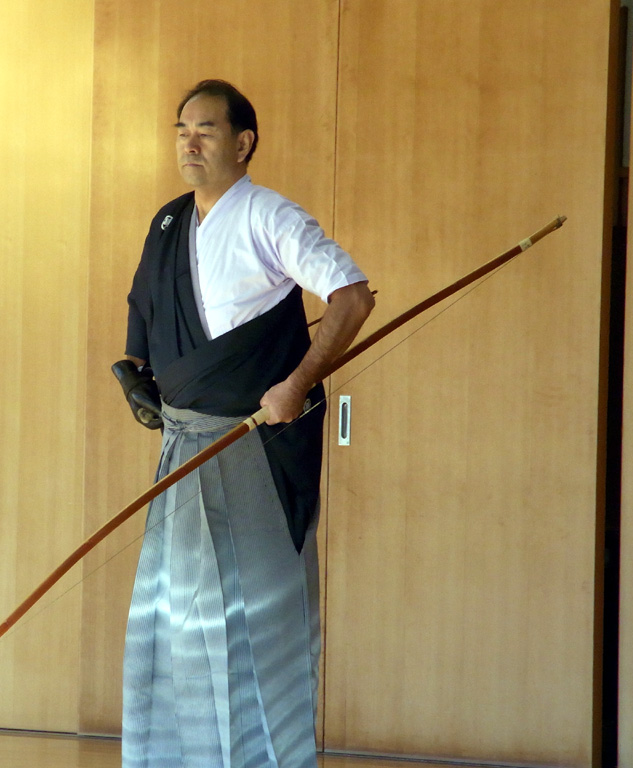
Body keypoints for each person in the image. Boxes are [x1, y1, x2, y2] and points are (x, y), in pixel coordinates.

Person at [112, 80, 374, 768]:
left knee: (253, 619)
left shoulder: (268, 215)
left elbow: (351, 296)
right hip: (184, 449)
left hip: (253, 445)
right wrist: (135, 376)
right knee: (177, 617)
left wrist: (297, 381)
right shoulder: (169, 222)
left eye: (205, 130)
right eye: (181, 130)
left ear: (243, 142)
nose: (189, 143)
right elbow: (143, 314)